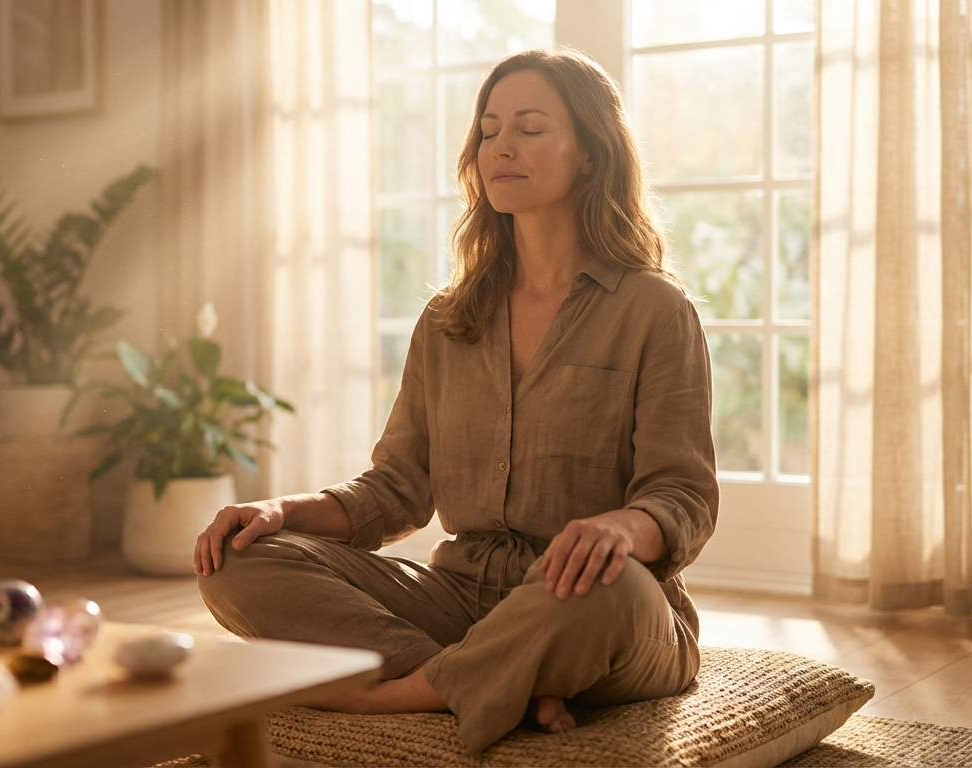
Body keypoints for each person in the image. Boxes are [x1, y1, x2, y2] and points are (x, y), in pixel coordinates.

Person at [194, 47, 717, 753]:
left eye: (529, 128)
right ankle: (493, 677)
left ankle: (405, 692)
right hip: (460, 601)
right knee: (238, 559)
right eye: (489, 128)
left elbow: (682, 495)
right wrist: (283, 511)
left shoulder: (655, 310)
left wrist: (621, 531)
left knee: (608, 586)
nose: (500, 145)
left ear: (591, 155)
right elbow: (398, 488)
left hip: (594, 604)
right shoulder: (448, 319)